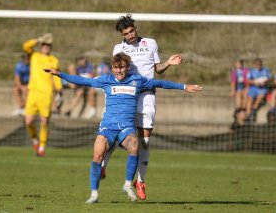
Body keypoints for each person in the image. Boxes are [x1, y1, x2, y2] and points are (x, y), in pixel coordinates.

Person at [44, 52, 202, 203]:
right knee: (98, 154)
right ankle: (94, 194)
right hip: (108, 127)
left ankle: (127, 184)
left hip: (126, 127)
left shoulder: (137, 80)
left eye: (122, 67)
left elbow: (160, 83)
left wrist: (184, 86)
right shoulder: (105, 80)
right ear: (112, 67)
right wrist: (60, 74)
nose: (119, 71)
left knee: (135, 146)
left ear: (127, 67)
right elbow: (83, 81)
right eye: (116, 67)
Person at [102, 14, 183, 200]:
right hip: (126, 96)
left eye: (132, 31)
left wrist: (169, 63)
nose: (130, 35)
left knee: (144, 141)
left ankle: (140, 180)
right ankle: (102, 166)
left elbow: (157, 68)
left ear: (135, 28)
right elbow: (118, 70)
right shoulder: (118, 48)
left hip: (146, 97)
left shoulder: (150, 43)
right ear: (122, 35)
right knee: (114, 133)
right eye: (126, 33)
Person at [22, 33, 62, 157]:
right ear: (41, 45)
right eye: (44, 44)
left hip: (47, 93)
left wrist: (59, 91)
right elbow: (25, 46)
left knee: (45, 121)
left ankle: (42, 147)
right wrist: (37, 39)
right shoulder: (34, 55)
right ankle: (35, 141)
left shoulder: (54, 60)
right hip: (33, 92)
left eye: (48, 45)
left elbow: (56, 77)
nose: (46, 47)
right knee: (28, 121)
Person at [246, 58, 271, 122]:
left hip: (263, 88)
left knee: (260, 96)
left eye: (260, 65)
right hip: (254, 87)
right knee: (249, 99)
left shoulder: (265, 70)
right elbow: (248, 80)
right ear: (255, 65)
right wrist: (254, 82)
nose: (259, 66)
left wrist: (264, 82)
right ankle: (248, 115)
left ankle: (253, 111)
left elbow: (269, 78)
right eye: (257, 65)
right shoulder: (251, 71)